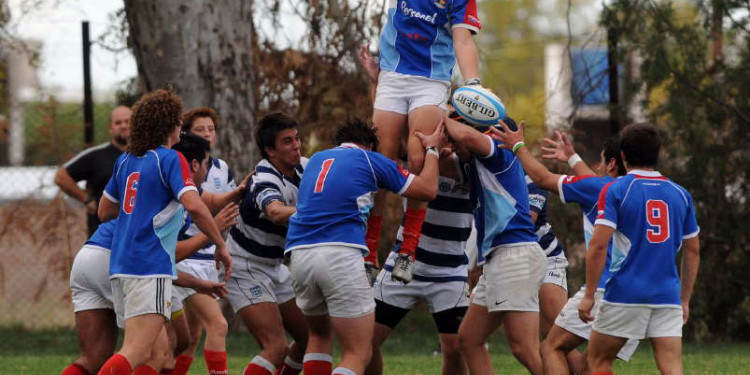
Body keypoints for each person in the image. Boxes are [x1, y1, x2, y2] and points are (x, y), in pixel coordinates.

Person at [285, 119, 444, 375]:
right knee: (358, 352)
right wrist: (433, 150)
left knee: (318, 335)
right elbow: (427, 189)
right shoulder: (369, 159)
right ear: (369, 146)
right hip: (339, 254)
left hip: (299, 255)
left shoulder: (315, 159)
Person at [94, 89, 232, 375]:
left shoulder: (126, 160)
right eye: (178, 121)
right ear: (170, 124)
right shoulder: (170, 158)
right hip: (148, 265)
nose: (181, 127)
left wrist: (139, 212)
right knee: (137, 351)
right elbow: (194, 206)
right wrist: (220, 243)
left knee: (157, 355)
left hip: (121, 264)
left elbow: (104, 211)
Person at [489, 122, 639, 374]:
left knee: (551, 348)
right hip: (638, 293)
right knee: (592, 364)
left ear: (612, 164)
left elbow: (543, 179)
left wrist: (518, 146)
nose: (597, 168)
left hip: (606, 289)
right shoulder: (641, 192)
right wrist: (572, 158)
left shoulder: (600, 189)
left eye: (601, 162)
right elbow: (593, 183)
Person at [362, 0, 482, 283]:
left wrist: (474, 83)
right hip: (392, 74)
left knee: (420, 159)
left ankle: (408, 249)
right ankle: (368, 251)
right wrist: (375, 80)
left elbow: (462, 40)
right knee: (381, 162)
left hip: (431, 79)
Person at [579, 123, 700, 375]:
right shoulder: (681, 194)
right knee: (672, 368)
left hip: (626, 291)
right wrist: (685, 299)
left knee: (597, 361)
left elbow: (598, 245)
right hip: (667, 294)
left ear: (622, 156)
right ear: (658, 153)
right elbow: (692, 251)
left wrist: (590, 294)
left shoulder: (615, 189)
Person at [442, 116, 546, 375]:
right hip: (500, 258)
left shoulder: (497, 154)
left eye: (457, 141)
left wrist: (436, 107)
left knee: (524, 348)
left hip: (515, 254)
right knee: (469, 339)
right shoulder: (475, 162)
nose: (455, 146)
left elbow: (467, 137)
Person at [366, 146, 472, 375]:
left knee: (455, 350)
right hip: (405, 264)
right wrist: (429, 150)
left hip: (450, 272)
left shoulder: (474, 161)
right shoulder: (417, 158)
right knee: (366, 341)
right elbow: (395, 144)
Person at [223, 112, 309, 375]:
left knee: (310, 338)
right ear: (270, 150)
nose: (296, 145)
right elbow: (276, 212)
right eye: (287, 141)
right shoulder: (264, 177)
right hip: (244, 266)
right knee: (276, 347)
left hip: (275, 266)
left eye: (297, 138)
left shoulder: (306, 167)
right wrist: (319, 210)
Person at [172, 107, 239, 375]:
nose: (207, 134)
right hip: (184, 256)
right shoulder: (182, 166)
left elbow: (223, 203)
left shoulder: (222, 168)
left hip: (207, 256)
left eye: (211, 129)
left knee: (190, 335)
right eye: (200, 129)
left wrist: (242, 192)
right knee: (218, 324)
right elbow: (200, 206)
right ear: (187, 134)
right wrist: (216, 226)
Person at [55, 106, 131, 235]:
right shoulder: (96, 156)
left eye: (128, 121)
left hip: (137, 236)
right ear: (110, 128)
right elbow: (61, 176)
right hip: (103, 236)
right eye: (118, 123)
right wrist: (86, 198)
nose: (123, 126)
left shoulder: (148, 155)